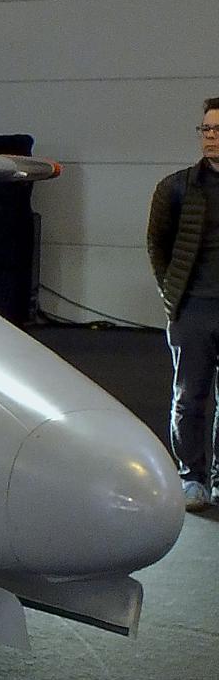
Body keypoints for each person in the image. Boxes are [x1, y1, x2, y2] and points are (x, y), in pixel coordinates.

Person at [147, 96, 219, 512]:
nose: (210, 137)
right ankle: (192, 478)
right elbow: (158, 244)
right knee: (189, 397)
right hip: (192, 309)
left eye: (217, 130)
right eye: (205, 129)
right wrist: (171, 291)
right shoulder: (176, 188)